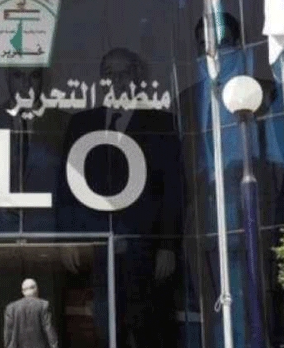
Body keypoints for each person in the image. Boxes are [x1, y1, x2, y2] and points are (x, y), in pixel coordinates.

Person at [55, 48, 185, 348]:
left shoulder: (161, 124)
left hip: (145, 250)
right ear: (100, 80)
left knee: (147, 330)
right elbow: (66, 186)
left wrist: (167, 246)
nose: (117, 80)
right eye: (109, 74)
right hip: (97, 250)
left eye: (124, 73)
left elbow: (173, 190)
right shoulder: (81, 124)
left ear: (137, 77)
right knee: (105, 328)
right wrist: (67, 239)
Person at [0, 66, 69, 348]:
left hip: (47, 242)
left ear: (43, 78)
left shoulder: (62, 123)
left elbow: (70, 187)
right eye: (18, 75)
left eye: (33, 75)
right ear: (7, 78)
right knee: (4, 327)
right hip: (0, 241)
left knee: (48, 329)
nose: (26, 83)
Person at [4, 279, 59, 348]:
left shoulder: (11, 308)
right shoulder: (43, 305)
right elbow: (48, 328)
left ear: (23, 291)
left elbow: (8, 333)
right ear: (36, 289)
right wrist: (54, 345)